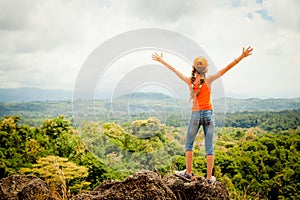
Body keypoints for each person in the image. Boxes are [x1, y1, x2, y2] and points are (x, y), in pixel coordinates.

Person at [151, 46, 253, 184]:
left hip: (195, 115)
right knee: (209, 147)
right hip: (209, 114)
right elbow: (226, 69)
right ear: (206, 69)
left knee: (189, 144)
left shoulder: (191, 81)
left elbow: (175, 70)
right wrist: (241, 56)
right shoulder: (209, 79)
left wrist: (161, 60)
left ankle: (187, 173)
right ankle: (210, 178)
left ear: (194, 68)